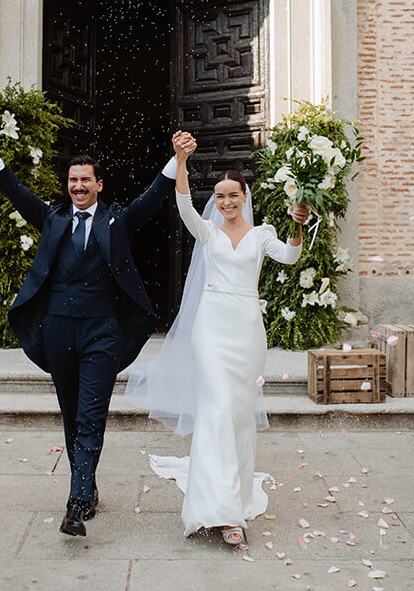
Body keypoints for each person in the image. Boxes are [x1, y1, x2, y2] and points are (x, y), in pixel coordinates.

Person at [0, 111, 184, 537]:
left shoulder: (118, 221)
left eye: (86, 180)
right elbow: (15, 189)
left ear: (99, 185)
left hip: (102, 332)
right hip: (59, 332)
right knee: (71, 417)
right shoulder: (53, 219)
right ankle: (88, 485)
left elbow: (155, 195)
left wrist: (177, 158)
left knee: (90, 416)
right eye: (73, 181)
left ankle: (76, 503)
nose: (78, 186)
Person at [125, 137, 309, 547]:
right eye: (221, 196)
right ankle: (221, 513)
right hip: (210, 329)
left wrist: (298, 224)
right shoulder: (207, 232)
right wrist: (181, 160)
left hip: (247, 330)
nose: (227, 202)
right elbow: (184, 203)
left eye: (233, 196)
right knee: (218, 409)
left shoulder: (264, 234)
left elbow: (290, 257)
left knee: (239, 415)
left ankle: (236, 495)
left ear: (245, 197)